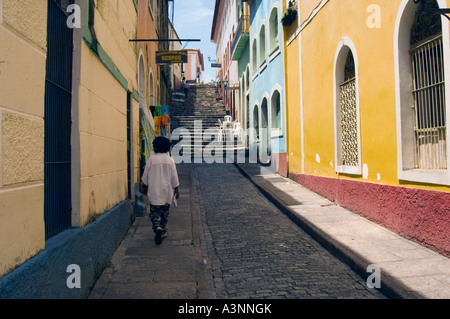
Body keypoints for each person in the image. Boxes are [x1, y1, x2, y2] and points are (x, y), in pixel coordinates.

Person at [141, 136, 180, 245]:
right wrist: (176, 189)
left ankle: (157, 227)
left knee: (154, 212)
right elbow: (174, 177)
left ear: (155, 147)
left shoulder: (151, 160)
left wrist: (144, 186)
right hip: (167, 191)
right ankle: (162, 228)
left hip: (154, 191)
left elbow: (145, 176)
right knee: (164, 213)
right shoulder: (170, 160)